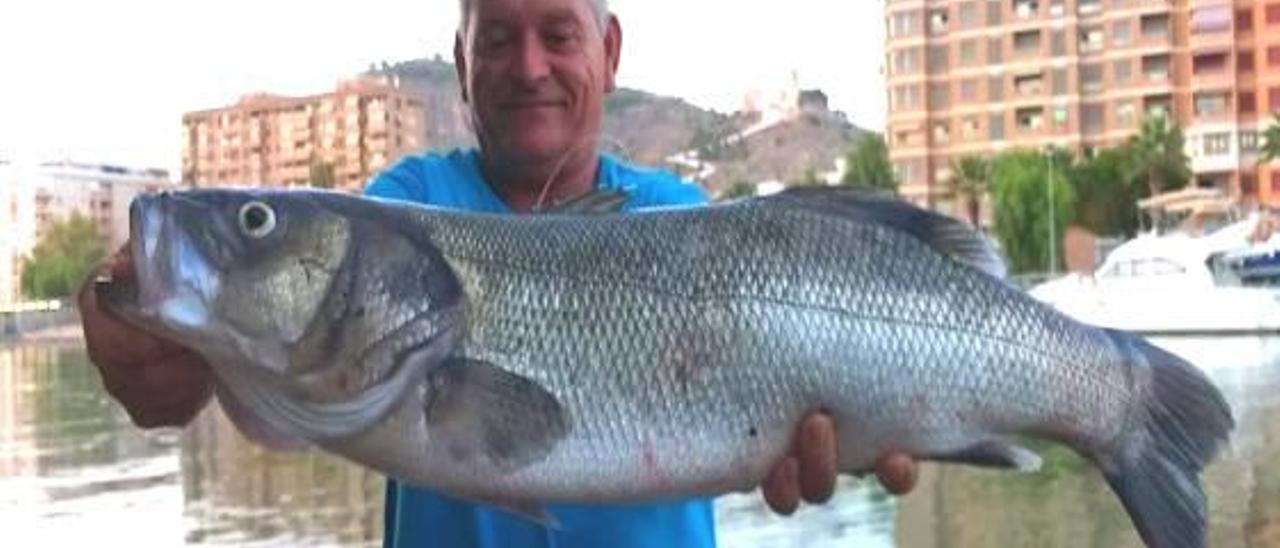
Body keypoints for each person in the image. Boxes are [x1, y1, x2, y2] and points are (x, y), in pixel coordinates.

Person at [77, 0, 919, 546]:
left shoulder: (680, 215)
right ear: (461, 59)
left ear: (609, 49)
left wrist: (843, 428)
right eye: (499, 38)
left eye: (557, 34)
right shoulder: (407, 205)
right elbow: (217, 404)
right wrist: (129, 320)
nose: (529, 68)